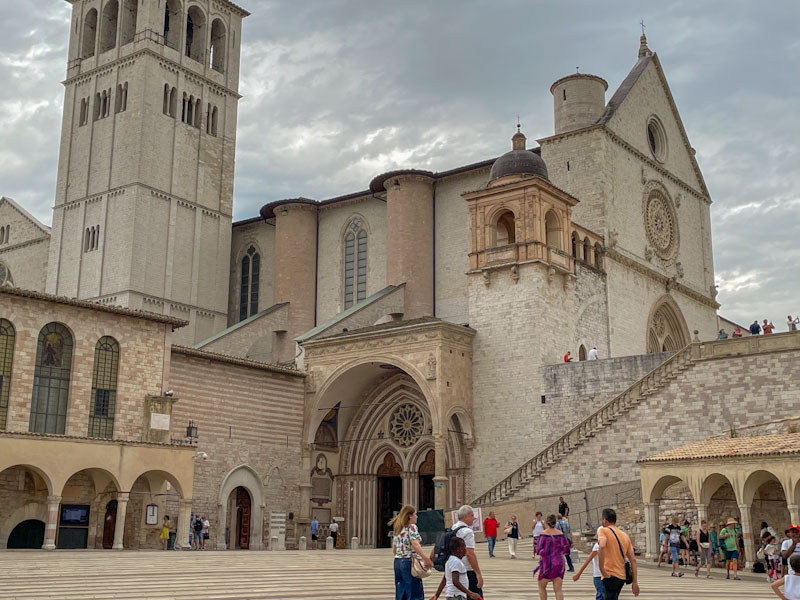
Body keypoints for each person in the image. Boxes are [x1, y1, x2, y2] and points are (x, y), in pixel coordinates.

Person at [435, 505, 483, 598]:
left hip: (452, 567)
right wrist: (478, 574)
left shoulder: (451, 528)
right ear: (465, 517)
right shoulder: (467, 532)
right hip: (466, 569)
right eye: (472, 515)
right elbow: (470, 553)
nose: (474, 518)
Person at [390, 505, 432, 600]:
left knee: (401, 592)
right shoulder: (412, 527)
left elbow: (394, 550)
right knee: (414, 592)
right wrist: (426, 559)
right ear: (410, 516)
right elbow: (415, 544)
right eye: (415, 514)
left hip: (398, 562)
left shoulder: (398, 528)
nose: (417, 516)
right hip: (409, 562)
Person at [597, 508, 639, 600]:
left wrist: (601, 569)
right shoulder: (624, 536)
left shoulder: (603, 531)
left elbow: (602, 545)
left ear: (604, 520)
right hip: (621, 576)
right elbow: (633, 560)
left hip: (609, 574)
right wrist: (635, 582)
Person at [534, 513, 570, 600]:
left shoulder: (543, 534)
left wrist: (545, 553)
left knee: (542, 587)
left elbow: (538, 549)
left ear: (546, 522)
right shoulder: (560, 534)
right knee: (558, 589)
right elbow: (566, 549)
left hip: (547, 564)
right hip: (559, 564)